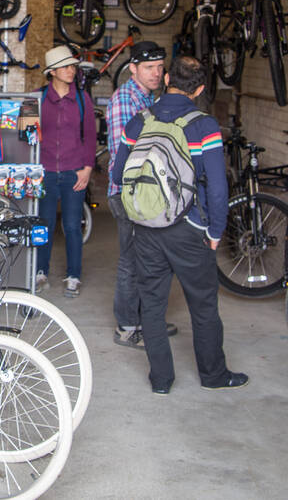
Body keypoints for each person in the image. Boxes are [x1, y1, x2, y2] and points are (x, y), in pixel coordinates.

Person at [109, 56, 246, 395]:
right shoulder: (204, 125)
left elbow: (116, 175)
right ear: (199, 89)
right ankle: (213, 375)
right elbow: (217, 186)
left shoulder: (139, 121)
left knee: (151, 305)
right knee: (203, 304)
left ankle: (161, 380)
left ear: (167, 77)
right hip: (189, 228)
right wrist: (216, 231)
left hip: (145, 228)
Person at [107, 40, 178, 347]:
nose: (155, 73)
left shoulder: (150, 99)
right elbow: (129, 155)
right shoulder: (126, 99)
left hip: (147, 193)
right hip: (128, 192)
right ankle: (126, 326)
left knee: (149, 259)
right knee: (131, 262)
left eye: (160, 67)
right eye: (148, 67)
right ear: (133, 68)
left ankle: (146, 320)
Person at [36, 44, 96, 298]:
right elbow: (29, 136)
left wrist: (88, 169)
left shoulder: (82, 99)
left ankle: (74, 275)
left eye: (73, 66)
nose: (72, 70)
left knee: (72, 226)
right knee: (44, 225)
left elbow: (91, 136)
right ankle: (40, 271)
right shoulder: (38, 99)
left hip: (74, 171)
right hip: (45, 172)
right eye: (66, 66)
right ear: (53, 72)